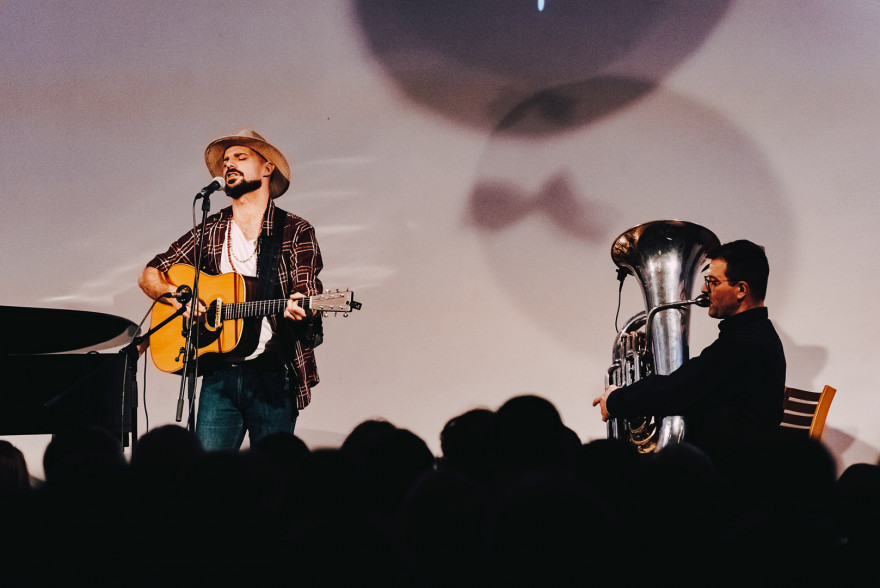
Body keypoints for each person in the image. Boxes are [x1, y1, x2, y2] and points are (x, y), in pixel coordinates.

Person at [138, 129, 323, 452]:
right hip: (219, 375)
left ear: (267, 169)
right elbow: (150, 274)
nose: (229, 165)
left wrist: (302, 307)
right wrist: (178, 297)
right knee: (207, 481)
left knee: (273, 478)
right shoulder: (211, 228)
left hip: (273, 374)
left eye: (241, 157)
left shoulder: (294, 230)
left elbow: (305, 289)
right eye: (225, 161)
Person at [592, 239, 786, 448]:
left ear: (740, 289)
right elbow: (691, 384)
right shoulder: (755, 337)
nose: (703, 288)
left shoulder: (744, 344)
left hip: (722, 469)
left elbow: (676, 390)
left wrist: (615, 400)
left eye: (712, 281)